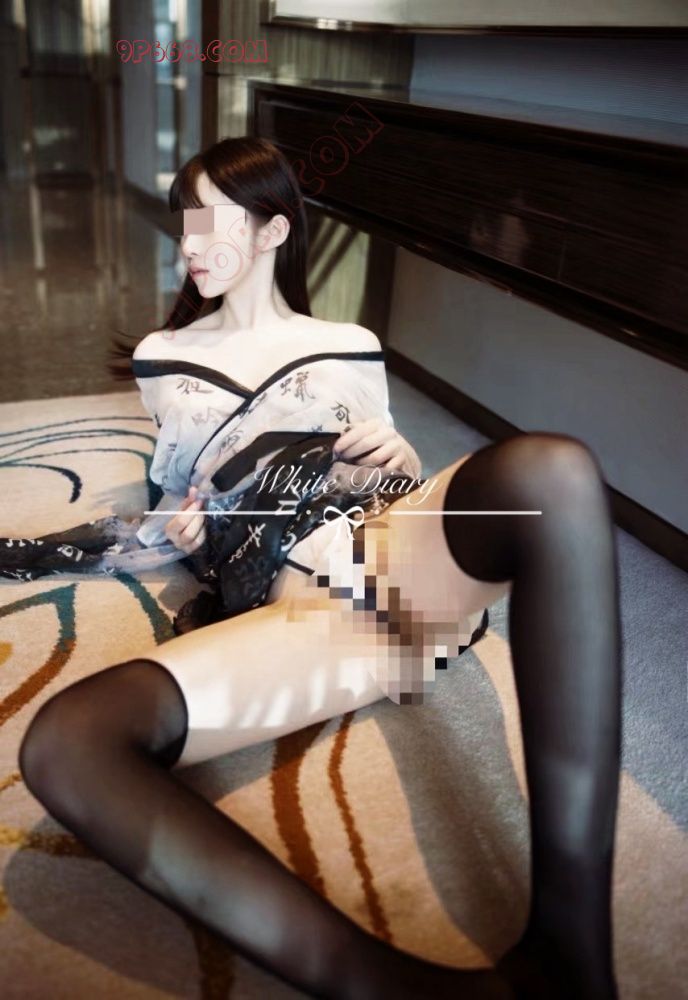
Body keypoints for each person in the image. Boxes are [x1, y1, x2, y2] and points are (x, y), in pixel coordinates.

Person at [16, 137, 622, 999]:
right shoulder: (163, 353)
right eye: (184, 222)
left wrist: (401, 455)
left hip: (394, 543)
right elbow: (174, 492)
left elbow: (389, 462)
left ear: (272, 231)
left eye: (209, 221)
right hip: (301, 605)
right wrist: (181, 528)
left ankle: (574, 959)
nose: (188, 242)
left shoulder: (350, 342)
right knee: (70, 742)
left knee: (550, 471)